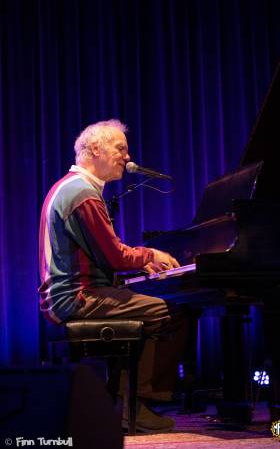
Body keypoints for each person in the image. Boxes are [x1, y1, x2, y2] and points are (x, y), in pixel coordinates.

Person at [38, 119, 188, 432]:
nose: (127, 156)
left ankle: (119, 401)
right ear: (95, 149)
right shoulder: (83, 194)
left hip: (68, 295)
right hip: (77, 298)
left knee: (150, 308)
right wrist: (149, 256)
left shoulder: (68, 187)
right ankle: (134, 406)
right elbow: (115, 256)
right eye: (120, 149)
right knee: (170, 311)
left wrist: (136, 263)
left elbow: (106, 256)